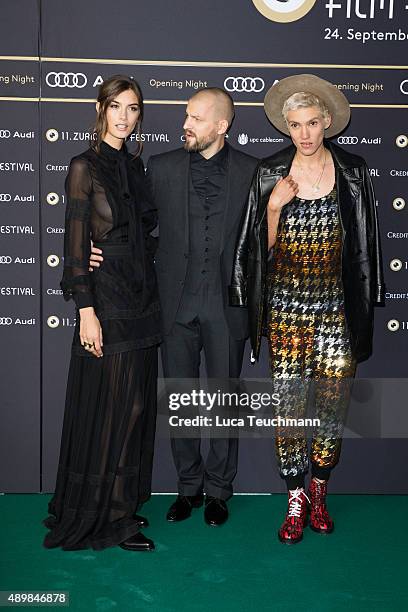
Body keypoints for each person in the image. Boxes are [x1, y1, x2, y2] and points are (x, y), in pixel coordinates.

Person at [91, 88, 259, 526]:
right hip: (175, 306)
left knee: (224, 399)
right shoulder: (160, 167)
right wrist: (99, 246)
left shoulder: (252, 172)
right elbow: (136, 228)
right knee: (181, 399)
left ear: (221, 126)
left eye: (197, 118)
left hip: (227, 307)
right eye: (187, 115)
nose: (186, 124)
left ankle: (220, 489)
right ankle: (189, 487)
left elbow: (263, 244)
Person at [230, 74, 384, 544]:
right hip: (287, 308)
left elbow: (364, 246)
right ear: (285, 127)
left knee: (334, 405)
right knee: (292, 406)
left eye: (312, 123)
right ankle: (294, 498)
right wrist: (273, 208)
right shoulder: (271, 172)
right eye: (295, 125)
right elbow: (258, 252)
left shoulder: (352, 170)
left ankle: (319, 488)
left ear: (328, 123)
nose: (304, 134)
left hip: (337, 309)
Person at [43, 75, 162, 552]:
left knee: (134, 407)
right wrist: (85, 310)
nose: (124, 117)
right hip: (106, 301)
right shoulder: (83, 167)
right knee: (115, 406)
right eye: (116, 106)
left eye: (132, 109)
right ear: (101, 108)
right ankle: (105, 516)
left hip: (142, 298)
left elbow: (149, 233)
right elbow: (74, 245)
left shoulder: (137, 168)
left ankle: (120, 503)